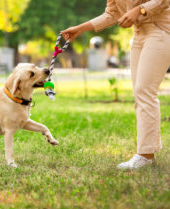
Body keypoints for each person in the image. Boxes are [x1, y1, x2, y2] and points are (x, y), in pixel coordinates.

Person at [62, 0, 170, 170]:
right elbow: (111, 13)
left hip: (162, 31)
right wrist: (79, 29)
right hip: (139, 35)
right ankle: (148, 153)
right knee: (140, 93)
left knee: (144, 91)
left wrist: (139, 10)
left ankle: (145, 155)